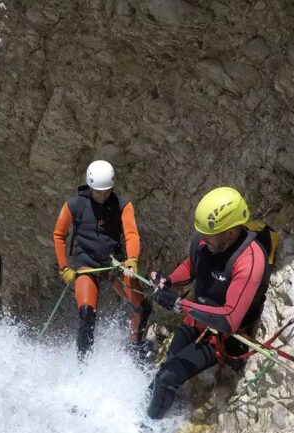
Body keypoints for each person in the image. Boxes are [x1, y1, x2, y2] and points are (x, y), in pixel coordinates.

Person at [147, 187, 272, 419]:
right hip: (196, 319)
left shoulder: (250, 260)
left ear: (231, 232)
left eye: (209, 235)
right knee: (168, 366)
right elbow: (193, 265)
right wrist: (169, 281)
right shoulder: (206, 241)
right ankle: (150, 405)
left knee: (167, 377)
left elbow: (229, 319)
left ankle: (149, 426)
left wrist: (178, 304)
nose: (203, 239)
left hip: (221, 336)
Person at [53, 160, 152, 359]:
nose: (103, 195)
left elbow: (131, 234)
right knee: (87, 314)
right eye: (98, 191)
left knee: (143, 307)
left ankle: (135, 347)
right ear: (90, 187)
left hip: (115, 263)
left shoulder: (122, 205)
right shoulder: (74, 205)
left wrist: (132, 260)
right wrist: (64, 268)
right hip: (86, 264)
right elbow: (58, 235)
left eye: (107, 191)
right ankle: (84, 365)